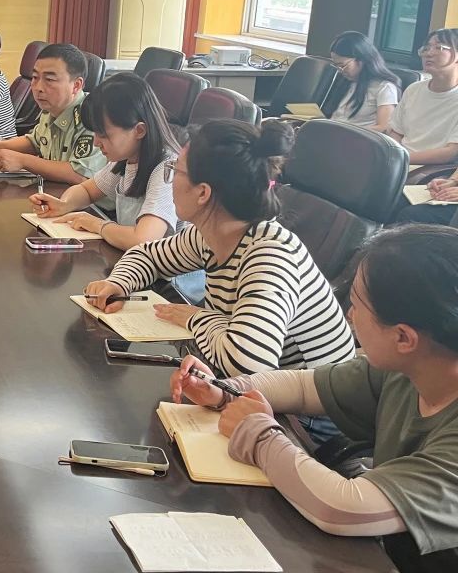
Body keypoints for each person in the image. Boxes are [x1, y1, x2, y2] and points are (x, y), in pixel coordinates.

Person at [169, 224, 458, 571]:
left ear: (404, 338)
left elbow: (342, 508)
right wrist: (225, 390)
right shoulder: (407, 368)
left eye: (357, 305)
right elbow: (304, 387)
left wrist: (259, 433)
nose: (349, 315)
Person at [84, 119, 356, 379]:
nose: (171, 180)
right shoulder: (212, 233)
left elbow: (248, 364)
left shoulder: (270, 256)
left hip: (308, 407)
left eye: (176, 171)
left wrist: (198, 318)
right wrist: (119, 284)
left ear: (203, 193)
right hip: (249, 388)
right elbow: (147, 255)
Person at [28, 72, 178, 249]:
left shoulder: (167, 170)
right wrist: (64, 204)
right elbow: (87, 190)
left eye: (104, 135)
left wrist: (97, 225)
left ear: (139, 131)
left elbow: (143, 239)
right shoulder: (127, 159)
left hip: (164, 266)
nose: (96, 142)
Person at [0, 43, 107, 183]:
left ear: (76, 85)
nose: (38, 87)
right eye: (35, 77)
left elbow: (80, 174)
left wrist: (24, 161)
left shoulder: (92, 116)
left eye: (49, 80)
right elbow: (35, 141)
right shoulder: (51, 108)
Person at [387, 28, 458, 164]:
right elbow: (396, 132)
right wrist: (394, 156)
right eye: (426, 48)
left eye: (439, 47)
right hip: (398, 162)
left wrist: (402, 160)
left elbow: (451, 152)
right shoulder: (413, 89)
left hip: (429, 168)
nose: (428, 54)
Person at [326, 31, 400, 131]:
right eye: (336, 66)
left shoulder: (384, 87)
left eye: (342, 65)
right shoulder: (345, 82)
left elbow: (384, 127)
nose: (340, 70)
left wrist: (348, 131)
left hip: (357, 137)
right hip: (333, 133)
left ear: (361, 59)